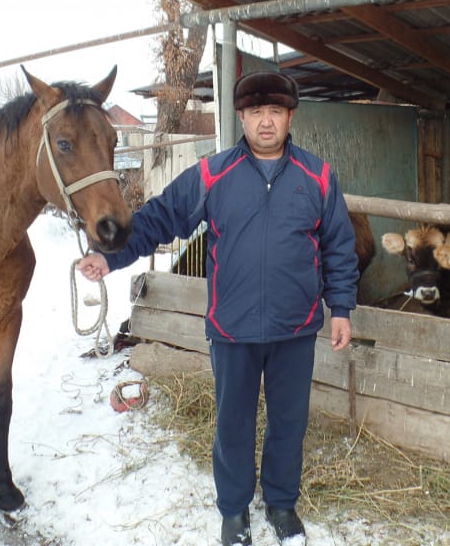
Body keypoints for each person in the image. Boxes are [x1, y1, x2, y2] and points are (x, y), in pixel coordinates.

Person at [77, 70, 359, 545]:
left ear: (290, 116)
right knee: (233, 424)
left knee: (289, 422)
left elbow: (339, 247)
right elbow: (160, 218)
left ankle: (282, 505)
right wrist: (110, 256)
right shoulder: (213, 174)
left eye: (275, 112)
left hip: (295, 328)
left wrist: (343, 309)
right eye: (255, 112)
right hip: (232, 329)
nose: (265, 122)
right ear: (241, 117)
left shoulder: (318, 176)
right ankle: (233, 510)